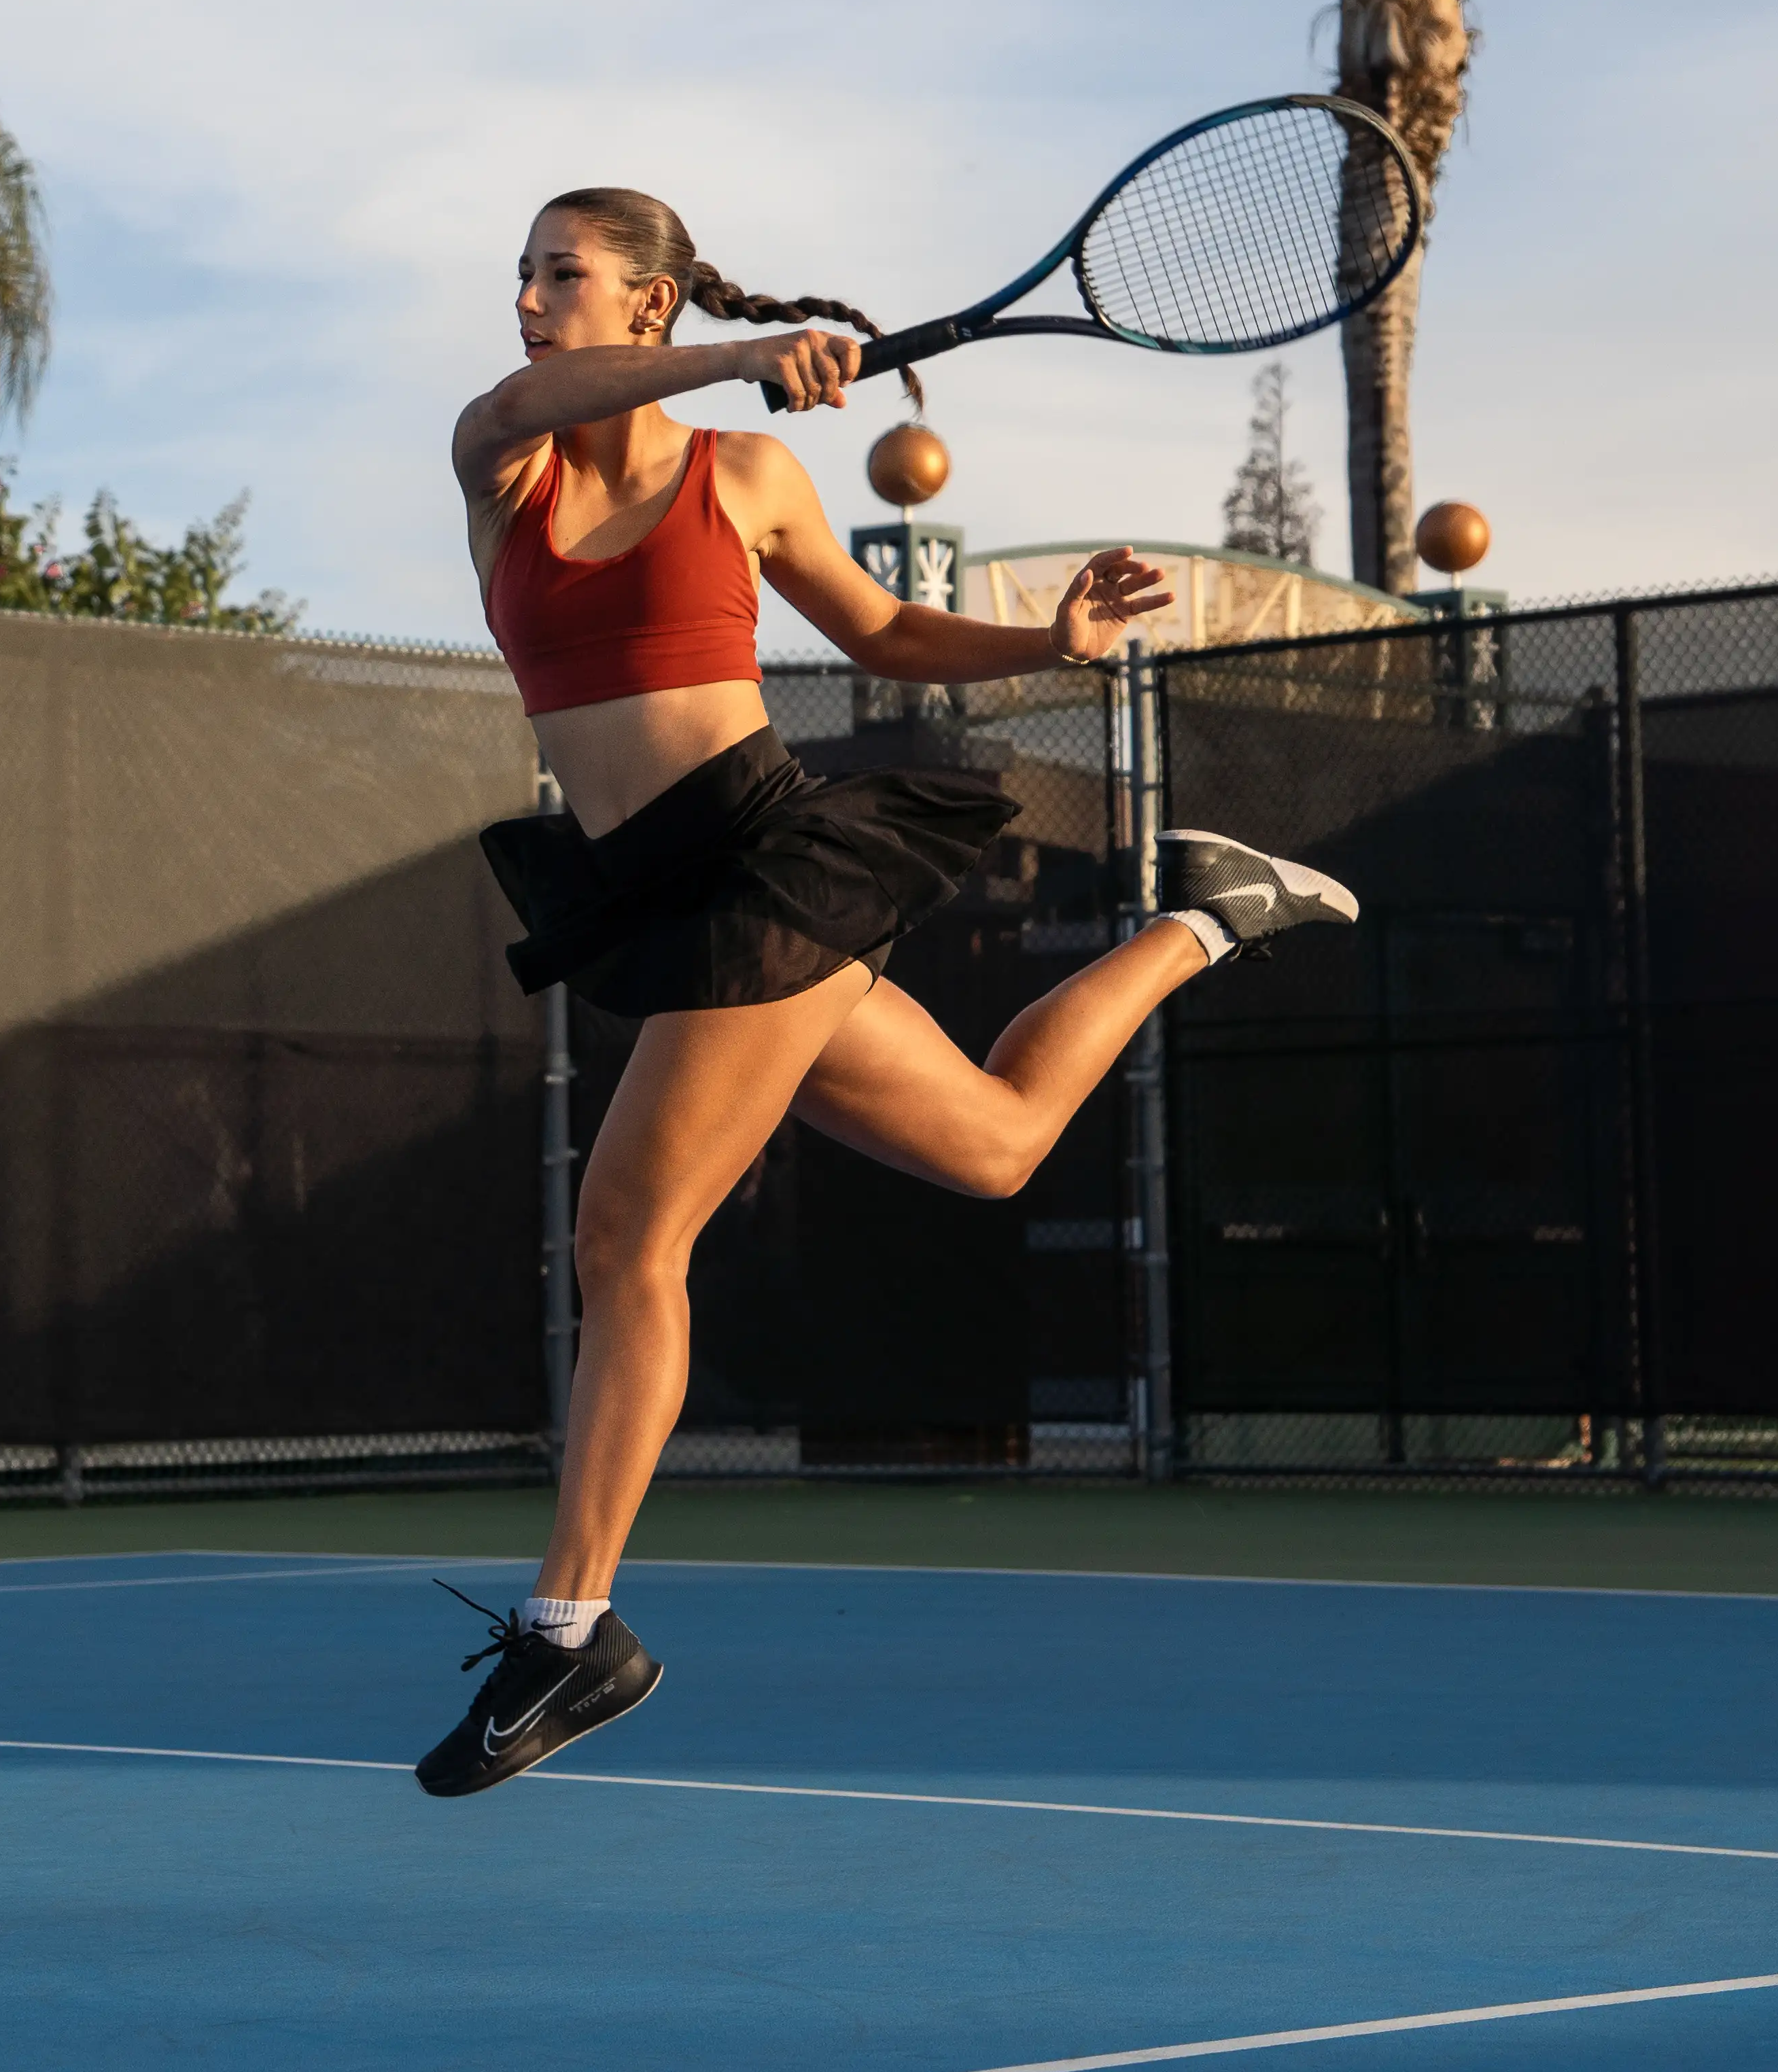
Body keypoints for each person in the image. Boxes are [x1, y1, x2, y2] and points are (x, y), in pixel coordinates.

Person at [415, 186, 1355, 1799]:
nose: (525, 302)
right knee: (994, 1143)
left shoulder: (748, 478)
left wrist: (1047, 643)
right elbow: (528, 399)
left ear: (644, 301)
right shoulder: (506, 462)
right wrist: (741, 355)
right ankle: (1207, 920)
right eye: (520, 275)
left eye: (561, 276)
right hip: (656, 892)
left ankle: (571, 1634)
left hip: (764, 862)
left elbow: (881, 633)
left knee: (626, 1237)